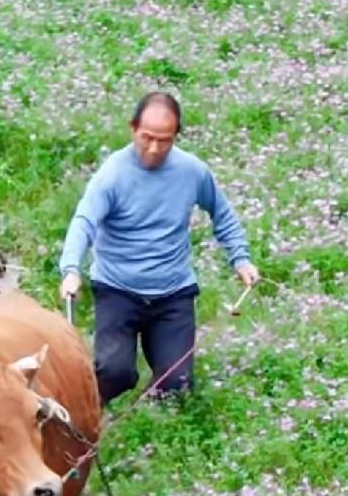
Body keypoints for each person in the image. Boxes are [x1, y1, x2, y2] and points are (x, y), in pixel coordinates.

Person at [59, 92, 259, 406]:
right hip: (117, 289)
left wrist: (241, 259)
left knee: (177, 385)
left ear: (176, 136)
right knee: (114, 372)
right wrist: (71, 269)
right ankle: (86, 417)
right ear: (132, 129)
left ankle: (151, 418)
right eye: (146, 138)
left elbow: (221, 212)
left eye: (164, 140)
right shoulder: (112, 175)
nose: (153, 148)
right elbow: (84, 221)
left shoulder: (192, 172)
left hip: (173, 292)